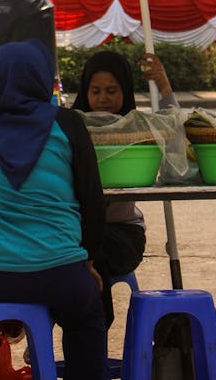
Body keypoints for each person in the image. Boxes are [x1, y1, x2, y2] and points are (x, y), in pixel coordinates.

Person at [0, 39, 108, 380]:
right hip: (55, 273)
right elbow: (92, 202)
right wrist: (89, 261)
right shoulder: (67, 125)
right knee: (86, 315)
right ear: (41, 80)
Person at [72, 48, 178, 327]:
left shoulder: (138, 128)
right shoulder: (72, 127)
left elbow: (175, 135)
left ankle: (94, 328)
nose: (103, 98)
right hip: (77, 232)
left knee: (90, 248)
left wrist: (164, 85)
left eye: (111, 90)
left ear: (125, 90)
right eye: (95, 91)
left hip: (123, 236)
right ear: (85, 91)